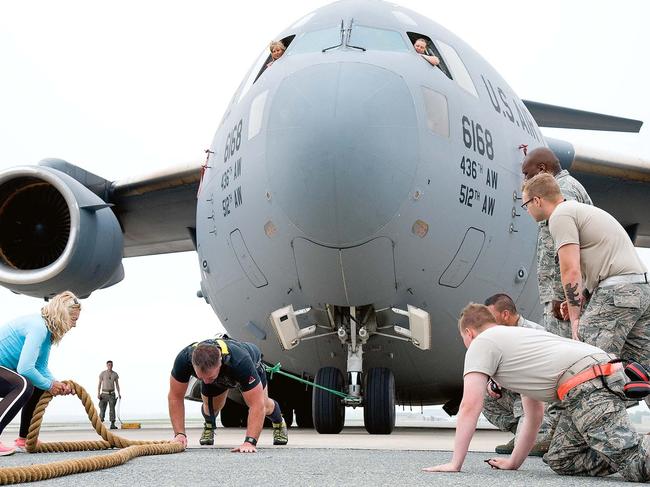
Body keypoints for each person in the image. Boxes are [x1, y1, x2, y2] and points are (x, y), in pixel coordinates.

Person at [423, 303, 650, 482]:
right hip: (594, 378)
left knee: (635, 465)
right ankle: (622, 446)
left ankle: (628, 451)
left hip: (587, 383)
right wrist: (513, 462)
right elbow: (533, 416)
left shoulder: (481, 343)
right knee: (562, 459)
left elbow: (470, 406)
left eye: (464, 339)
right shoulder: (519, 343)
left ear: (469, 333)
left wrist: (455, 463)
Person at [521, 173, 650, 378]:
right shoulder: (579, 210)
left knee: (583, 359)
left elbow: (570, 270)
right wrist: (580, 299)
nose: (526, 211)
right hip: (639, 290)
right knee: (643, 369)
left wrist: (574, 319)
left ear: (537, 200)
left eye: (525, 205)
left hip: (617, 291)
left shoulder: (560, 216)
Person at [168, 336, 288, 452]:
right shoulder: (184, 359)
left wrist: (249, 442)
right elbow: (175, 397)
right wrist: (179, 434)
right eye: (201, 377)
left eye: (209, 377)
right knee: (210, 408)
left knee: (264, 405)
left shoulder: (240, 361)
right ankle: (209, 424)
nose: (205, 381)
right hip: (219, 376)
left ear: (220, 362)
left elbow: (257, 405)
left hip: (250, 366)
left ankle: (279, 422)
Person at [521, 147, 592, 338]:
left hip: (564, 302)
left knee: (566, 358)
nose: (525, 181)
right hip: (569, 298)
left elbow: (564, 254)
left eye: (527, 174)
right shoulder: (568, 186)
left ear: (542, 168)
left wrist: (562, 298)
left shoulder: (560, 191)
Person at [0, 291, 79, 455]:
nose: (74, 325)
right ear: (63, 315)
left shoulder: (46, 332)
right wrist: (50, 385)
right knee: (24, 384)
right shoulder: (38, 327)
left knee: (38, 382)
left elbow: (40, 368)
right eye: (74, 320)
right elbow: (25, 369)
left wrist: (56, 384)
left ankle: (25, 438)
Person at [481, 294, 550, 456]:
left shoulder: (536, 333)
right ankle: (523, 434)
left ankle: (536, 436)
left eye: (491, 317)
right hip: (514, 390)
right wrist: (492, 381)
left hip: (535, 392)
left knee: (525, 397)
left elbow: (543, 371)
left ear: (505, 314)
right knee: (485, 398)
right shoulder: (496, 335)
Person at [98, 360, 121, 429]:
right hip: (104, 394)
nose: (110, 366)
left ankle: (112, 424)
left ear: (112, 365)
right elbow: (99, 384)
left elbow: (117, 384)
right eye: (109, 365)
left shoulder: (115, 374)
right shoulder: (102, 373)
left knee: (112, 409)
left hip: (112, 394)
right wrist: (98, 393)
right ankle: (100, 424)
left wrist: (119, 393)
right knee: (102, 409)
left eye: (111, 365)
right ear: (107, 365)